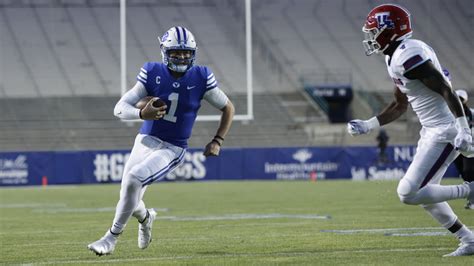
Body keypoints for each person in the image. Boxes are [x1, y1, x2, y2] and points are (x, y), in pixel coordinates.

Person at [87, 26, 235, 256]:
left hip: (172, 147)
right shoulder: (152, 71)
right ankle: (146, 218)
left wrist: (217, 140)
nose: (183, 56)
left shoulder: (202, 76)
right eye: (177, 52)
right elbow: (119, 108)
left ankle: (110, 238)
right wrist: (141, 113)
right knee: (129, 195)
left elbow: (228, 107)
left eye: (187, 52)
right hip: (145, 139)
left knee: (134, 180)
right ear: (165, 51)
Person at [347, 4, 474, 257]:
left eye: (373, 31)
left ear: (389, 31)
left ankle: (471, 189)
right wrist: (368, 124)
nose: (370, 37)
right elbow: (400, 104)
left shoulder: (408, 54)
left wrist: (463, 129)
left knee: (408, 192)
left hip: (446, 129)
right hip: (432, 130)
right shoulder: (393, 56)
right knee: (425, 194)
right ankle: (469, 240)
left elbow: (446, 90)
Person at [452, 89, 474, 209]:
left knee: (468, 171)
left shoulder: (472, 113)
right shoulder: (451, 115)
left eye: (461, 99)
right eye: (457, 99)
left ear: (465, 101)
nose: (459, 101)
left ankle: (473, 201)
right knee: (464, 174)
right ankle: (472, 199)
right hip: (456, 148)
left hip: (470, 148)